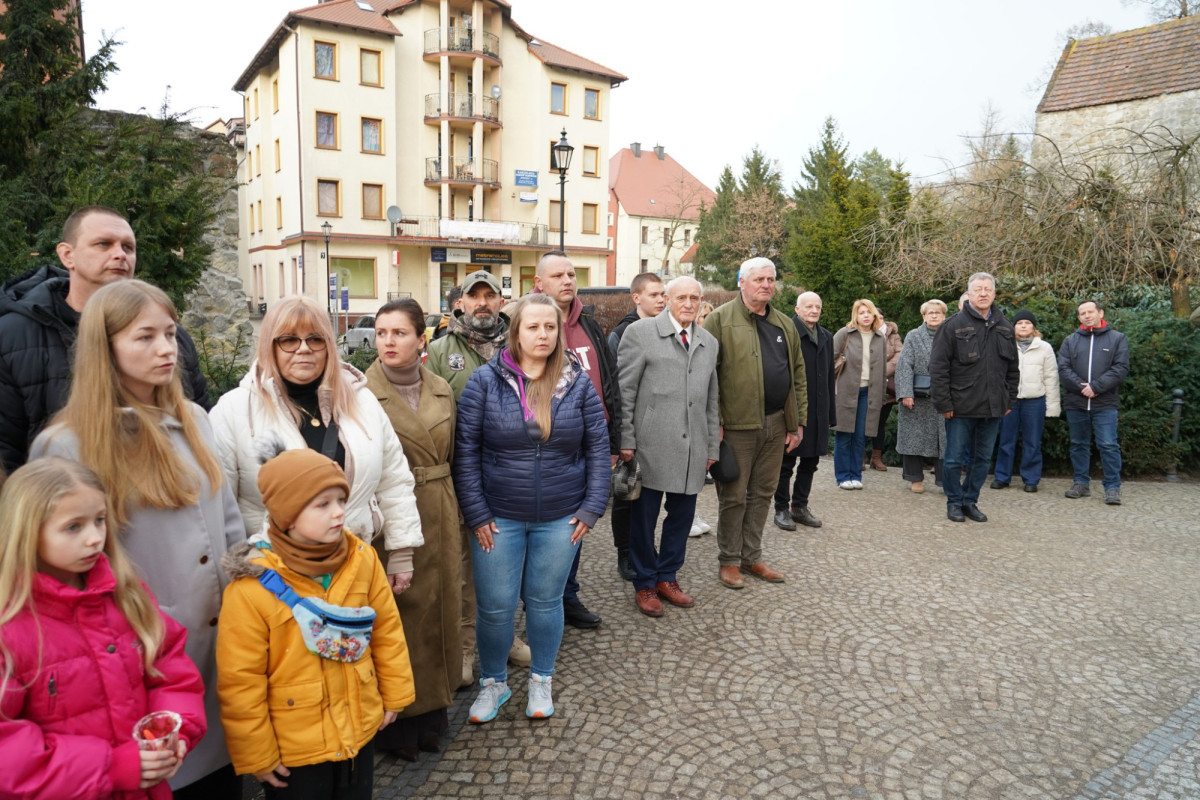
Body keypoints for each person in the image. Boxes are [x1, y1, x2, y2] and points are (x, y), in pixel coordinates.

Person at [29, 280, 244, 798]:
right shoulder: (66, 444)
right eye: (144, 337)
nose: (166, 349)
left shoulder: (194, 420)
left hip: (221, 651)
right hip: (143, 664)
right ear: (106, 347)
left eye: (170, 333)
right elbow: (57, 582)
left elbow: (229, 519)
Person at [0, 457, 207, 800]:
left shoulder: (125, 594)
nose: (95, 538)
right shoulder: (10, 627)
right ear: (26, 529)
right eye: (73, 527)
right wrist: (111, 766)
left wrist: (172, 733)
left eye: (99, 521)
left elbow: (171, 668)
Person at [217, 449, 414, 799]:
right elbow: (240, 681)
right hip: (297, 750)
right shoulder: (249, 590)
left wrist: (395, 694)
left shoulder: (362, 560)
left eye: (340, 499)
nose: (339, 511)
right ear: (288, 514)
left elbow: (386, 632)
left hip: (358, 728)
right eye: (322, 504)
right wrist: (257, 753)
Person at [453, 294, 609, 722]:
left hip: (561, 517)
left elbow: (598, 447)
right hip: (498, 517)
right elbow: (465, 452)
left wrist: (593, 506)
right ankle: (494, 683)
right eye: (533, 327)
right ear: (516, 332)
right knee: (496, 607)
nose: (543, 335)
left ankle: (542, 679)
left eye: (550, 327)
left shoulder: (576, 383)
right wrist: (478, 512)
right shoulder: (485, 382)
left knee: (544, 602)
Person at [209, 295, 422, 591]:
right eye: (289, 340)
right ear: (270, 345)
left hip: (352, 570)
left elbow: (394, 478)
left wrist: (401, 550)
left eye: (315, 339)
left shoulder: (362, 401)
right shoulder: (234, 411)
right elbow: (219, 507)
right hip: (273, 579)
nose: (304, 349)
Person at [0, 206, 210, 473]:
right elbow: (6, 455)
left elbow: (198, 434)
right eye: (104, 244)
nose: (120, 254)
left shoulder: (172, 337)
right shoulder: (13, 337)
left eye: (128, 247)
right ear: (67, 255)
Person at [363, 299, 460, 761]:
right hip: (389, 516)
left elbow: (456, 453)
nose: (387, 341)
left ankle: (433, 713)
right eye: (381, 333)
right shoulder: (359, 391)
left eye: (398, 333)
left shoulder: (441, 388)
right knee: (397, 615)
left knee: (439, 609)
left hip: (439, 507)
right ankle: (396, 721)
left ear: (422, 339)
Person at [425, 270, 528, 684]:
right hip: (461, 471)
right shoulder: (438, 351)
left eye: (491, 295)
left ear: (501, 302)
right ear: (460, 303)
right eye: (475, 296)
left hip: (512, 473)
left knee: (510, 559)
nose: (483, 303)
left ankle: (505, 636)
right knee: (466, 566)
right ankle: (467, 646)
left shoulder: (520, 345)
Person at [617, 276, 719, 617]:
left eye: (694, 298)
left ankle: (667, 577)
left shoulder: (708, 341)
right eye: (681, 297)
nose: (688, 303)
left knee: (682, 516)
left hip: (693, 448)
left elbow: (712, 399)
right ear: (667, 299)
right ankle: (645, 583)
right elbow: (625, 392)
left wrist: (712, 448)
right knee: (644, 520)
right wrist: (626, 439)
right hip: (650, 445)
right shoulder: (641, 334)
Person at [703, 257, 806, 589]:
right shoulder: (719, 321)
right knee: (733, 495)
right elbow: (707, 376)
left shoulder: (784, 324)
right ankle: (729, 560)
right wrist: (715, 422)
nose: (766, 284)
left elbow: (798, 376)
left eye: (771, 279)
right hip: (735, 426)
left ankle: (752, 556)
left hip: (776, 423)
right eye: (759, 279)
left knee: (763, 492)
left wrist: (797, 423)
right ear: (742, 282)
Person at [534, 251, 619, 629]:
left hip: (591, 443)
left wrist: (616, 440)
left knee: (577, 524)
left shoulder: (590, 323)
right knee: (542, 525)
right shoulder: (528, 324)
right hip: (548, 444)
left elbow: (609, 382)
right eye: (558, 275)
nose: (568, 280)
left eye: (571, 274)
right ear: (539, 283)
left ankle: (566, 596)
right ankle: (538, 599)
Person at [929, 272, 1019, 523]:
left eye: (987, 289)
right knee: (954, 459)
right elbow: (938, 368)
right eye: (978, 289)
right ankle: (954, 502)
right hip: (960, 407)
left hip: (993, 407)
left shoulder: (1005, 327)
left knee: (981, 460)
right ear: (968, 294)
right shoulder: (952, 326)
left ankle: (970, 501)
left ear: (994, 294)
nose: (983, 293)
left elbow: (1013, 369)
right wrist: (943, 403)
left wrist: (1009, 400)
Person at [606, 272, 666, 582]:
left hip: (658, 427)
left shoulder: (665, 330)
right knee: (626, 492)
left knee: (651, 495)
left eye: (662, 294)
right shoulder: (622, 333)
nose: (660, 299)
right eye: (654, 294)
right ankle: (624, 553)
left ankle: (644, 546)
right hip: (631, 427)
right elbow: (615, 387)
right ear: (636, 298)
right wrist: (620, 434)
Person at [1058, 300, 1130, 505]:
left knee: (1108, 445)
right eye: (1082, 313)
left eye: (1090, 312)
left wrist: (1096, 387)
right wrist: (1082, 388)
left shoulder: (1117, 339)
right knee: (1078, 444)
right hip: (1076, 402)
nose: (1086, 315)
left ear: (1100, 313)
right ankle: (1080, 483)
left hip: (1105, 402)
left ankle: (1113, 487)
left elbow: (1121, 368)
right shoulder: (1070, 341)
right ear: (1079, 317)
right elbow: (1063, 368)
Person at [774, 291, 835, 530]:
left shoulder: (826, 337)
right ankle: (781, 508)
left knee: (810, 462)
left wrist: (830, 413)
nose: (814, 310)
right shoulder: (786, 333)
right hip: (793, 408)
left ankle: (799, 506)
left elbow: (829, 376)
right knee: (786, 463)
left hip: (818, 408)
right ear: (797, 309)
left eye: (818, 306)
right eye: (808, 306)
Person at [991, 310, 1060, 492]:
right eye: (1019, 323)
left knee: (1032, 441)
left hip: (1034, 401)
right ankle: (1002, 476)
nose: (1023, 326)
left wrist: (1052, 407)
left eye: (1027, 323)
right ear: (1013, 327)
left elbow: (1051, 378)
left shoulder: (1044, 348)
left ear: (1033, 327)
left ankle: (1030, 479)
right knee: (1006, 440)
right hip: (1009, 401)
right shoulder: (1006, 345)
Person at [831, 299, 888, 490]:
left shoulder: (880, 338)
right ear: (855, 315)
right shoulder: (844, 334)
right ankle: (842, 476)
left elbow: (881, 370)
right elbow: (828, 360)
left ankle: (856, 475)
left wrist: (880, 397)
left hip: (868, 393)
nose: (865, 315)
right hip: (846, 391)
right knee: (845, 434)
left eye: (869, 312)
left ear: (874, 315)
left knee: (861, 435)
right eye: (861, 312)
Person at [895, 300, 949, 493]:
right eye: (930, 313)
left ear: (944, 315)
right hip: (916, 397)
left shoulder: (952, 335)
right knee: (913, 439)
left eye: (938, 312)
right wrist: (906, 393)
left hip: (944, 397)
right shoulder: (913, 336)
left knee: (945, 441)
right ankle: (914, 478)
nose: (934, 315)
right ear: (923, 316)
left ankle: (945, 481)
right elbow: (904, 365)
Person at [690, 300, 718, 538]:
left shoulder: (710, 343)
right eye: (704, 316)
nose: (706, 320)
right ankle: (689, 518)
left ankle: (692, 514)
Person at [866, 313, 903, 472]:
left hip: (886, 387)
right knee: (860, 422)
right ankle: (859, 456)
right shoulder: (863, 333)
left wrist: (880, 371)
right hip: (865, 384)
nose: (876, 320)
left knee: (880, 423)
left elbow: (899, 356)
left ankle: (876, 457)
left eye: (879, 317)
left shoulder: (893, 336)